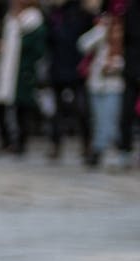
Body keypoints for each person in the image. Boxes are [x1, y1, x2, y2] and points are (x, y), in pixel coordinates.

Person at [0, 0, 47, 155]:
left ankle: (20, 143)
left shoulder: (34, 20)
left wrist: (19, 49)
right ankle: (6, 140)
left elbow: (38, 50)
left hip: (22, 72)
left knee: (22, 108)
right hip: (6, 69)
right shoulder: (10, 18)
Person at [44, 0, 95, 161]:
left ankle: (87, 143)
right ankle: (56, 144)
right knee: (57, 111)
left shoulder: (83, 14)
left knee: (82, 108)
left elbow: (88, 41)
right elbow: (49, 41)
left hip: (77, 69)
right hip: (58, 68)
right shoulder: (54, 15)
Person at [80, 13, 127, 165]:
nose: (116, 33)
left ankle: (104, 149)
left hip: (114, 88)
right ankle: (98, 149)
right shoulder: (102, 43)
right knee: (97, 119)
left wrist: (114, 67)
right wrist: (99, 30)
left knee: (109, 120)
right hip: (96, 86)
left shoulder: (124, 47)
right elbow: (83, 44)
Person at [118, 0, 140, 164]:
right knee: (126, 112)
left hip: (132, 68)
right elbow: (125, 40)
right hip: (132, 70)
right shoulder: (131, 10)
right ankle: (125, 150)